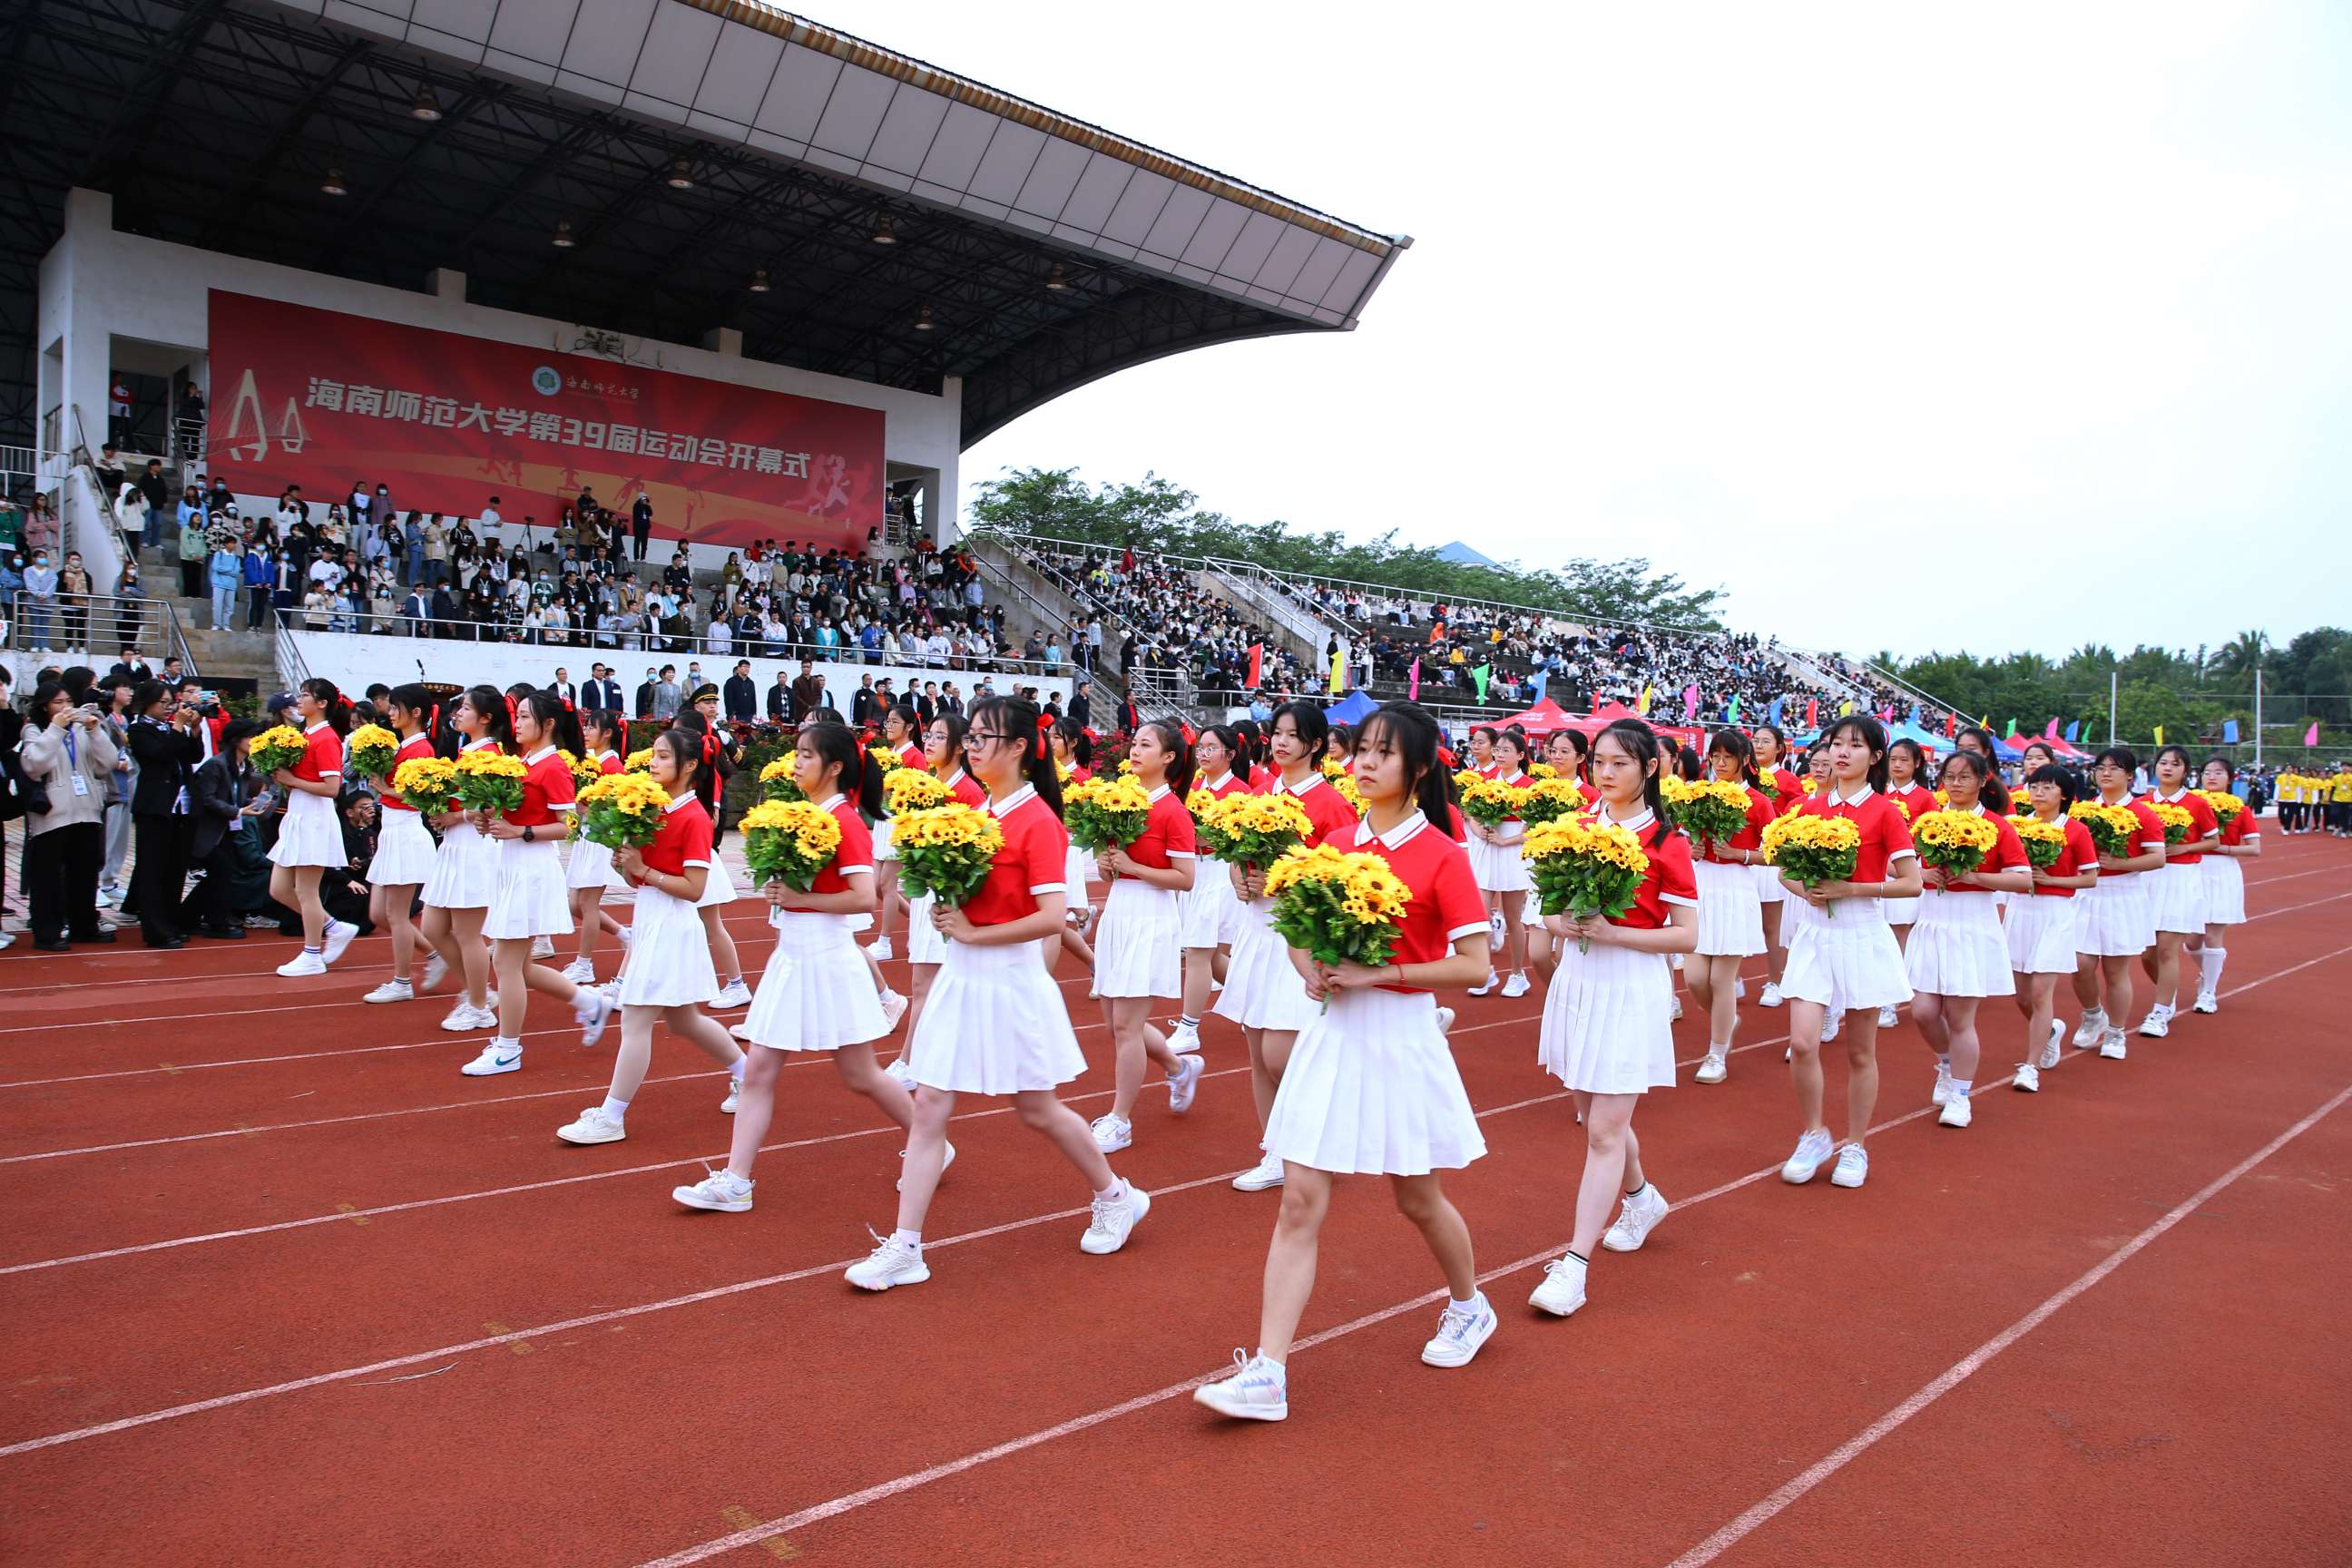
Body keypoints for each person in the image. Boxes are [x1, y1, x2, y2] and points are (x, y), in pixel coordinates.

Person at [1194, 702, 1496, 1422]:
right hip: (1331, 1033)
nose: (1364, 763)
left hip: (1400, 1037)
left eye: (1383, 754)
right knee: (1300, 1197)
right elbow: (1294, 929)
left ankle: (1469, 1305)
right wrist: (1309, 967)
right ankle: (1268, 1372)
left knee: (1416, 1197)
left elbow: (1476, 965)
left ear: (1418, 770)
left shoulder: (1443, 855)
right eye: (1359, 749)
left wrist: (1379, 975)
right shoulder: (1329, 841)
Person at [842, 694, 1149, 1291]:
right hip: (964, 974)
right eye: (971, 737)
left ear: (1018, 748)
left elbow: (1053, 915)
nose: (973, 746)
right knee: (931, 1104)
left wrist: (978, 932)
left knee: (1036, 1109)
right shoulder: (977, 812)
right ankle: (906, 1246)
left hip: (1009, 978)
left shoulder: (1038, 821)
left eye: (986, 737)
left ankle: (1117, 1195)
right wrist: (951, 914)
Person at [673, 724, 910, 1200]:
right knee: (759, 1070)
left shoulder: (843, 821)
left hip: (828, 958)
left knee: (860, 1075)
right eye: (796, 754)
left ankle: (930, 1139)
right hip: (792, 957)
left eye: (806, 755)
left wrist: (800, 898)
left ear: (836, 767)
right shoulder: (802, 815)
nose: (796, 762)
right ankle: (737, 1181)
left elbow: (865, 898)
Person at [1528, 718, 1699, 1318]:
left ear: (1649, 768)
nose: (1605, 772)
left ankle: (1573, 1266)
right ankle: (1641, 1196)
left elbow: (1688, 934)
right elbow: (1545, 913)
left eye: (1619, 763)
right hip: (1578, 982)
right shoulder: (1571, 830)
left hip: (1630, 986)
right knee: (1588, 1109)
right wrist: (1567, 925)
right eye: (1599, 761)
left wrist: (1613, 931)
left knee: (1603, 1129)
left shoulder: (1666, 841)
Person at [560, 725, 749, 1146]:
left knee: (636, 1020)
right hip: (650, 916)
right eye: (654, 755)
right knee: (685, 1020)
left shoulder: (694, 816)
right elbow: (634, 875)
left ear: (689, 766)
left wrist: (643, 870)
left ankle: (612, 1115)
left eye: (664, 757)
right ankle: (748, 1074)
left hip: (672, 922)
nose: (653, 762)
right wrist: (623, 859)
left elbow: (695, 888)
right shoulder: (650, 809)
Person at [1214, 701, 1358, 1193]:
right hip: (1256, 930)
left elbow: (1335, 881)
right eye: (1276, 733)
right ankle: (1276, 1151)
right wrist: (1239, 879)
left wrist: (1278, 886)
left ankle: (1315, 1146)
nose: (1280, 742)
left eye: (1292, 736)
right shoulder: (1262, 789)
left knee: (1284, 1055)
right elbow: (1235, 854)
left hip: (1296, 936)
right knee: (1257, 1050)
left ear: (1315, 745)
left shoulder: (1329, 803)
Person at [1775, 716, 1923, 1191]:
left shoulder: (1885, 811)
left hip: (1862, 932)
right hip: (1815, 933)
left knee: (1861, 1049)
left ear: (1875, 758)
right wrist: (1808, 891)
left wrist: (1850, 888)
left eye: (1855, 746)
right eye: (1837, 744)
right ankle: (1814, 1133)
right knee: (1802, 1042)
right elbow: (1784, 873)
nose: (1842, 753)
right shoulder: (1808, 808)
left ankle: (1856, 1143)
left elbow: (1911, 883)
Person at [465, 689, 609, 1076]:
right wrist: (489, 820)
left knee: (506, 963)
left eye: (526, 717)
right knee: (519, 965)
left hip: (532, 866)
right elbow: (512, 817)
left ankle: (508, 1048)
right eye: (518, 716)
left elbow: (569, 825)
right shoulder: (521, 762)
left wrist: (521, 831)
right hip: (512, 863)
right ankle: (590, 1002)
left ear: (547, 725)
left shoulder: (554, 766)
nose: (518, 723)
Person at [1086, 717, 1202, 1153]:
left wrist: (1133, 868)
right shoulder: (1122, 802)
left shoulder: (1173, 811)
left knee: (1125, 1026)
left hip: (1151, 917)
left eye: (1146, 745)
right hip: (1119, 911)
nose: (1135, 751)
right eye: (1134, 743)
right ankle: (1178, 1067)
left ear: (1169, 758)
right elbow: (1112, 862)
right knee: (1116, 1025)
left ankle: (1120, 1120)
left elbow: (1185, 878)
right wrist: (1107, 862)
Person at [1903, 750, 2031, 1129]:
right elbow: (1905, 867)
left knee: (1961, 1018)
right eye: (1949, 776)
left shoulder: (1996, 827)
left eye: (1964, 777)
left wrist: (1977, 878)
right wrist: (1924, 875)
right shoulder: (1928, 823)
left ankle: (1961, 1094)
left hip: (1972, 922)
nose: (1955, 783)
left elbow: (2023, 879)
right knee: (1924, 1011)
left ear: (1982, 781)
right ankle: (1946, 1063)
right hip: (1932, 920)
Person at [880, 715, 986, 1083]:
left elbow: (975, 852)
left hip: (948, 897)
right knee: (930, 984)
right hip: (928, 892)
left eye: (941, 737)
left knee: (927, 984)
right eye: (931, 735)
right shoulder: (924, 786)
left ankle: (911, 1061)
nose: (931, 742)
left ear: (960, 747)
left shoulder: (969, 793)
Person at [1686, 729, 1777, 1084]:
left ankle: (1716, 1052)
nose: (1720, 764)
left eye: (1728, 757)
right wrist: (1690, 847)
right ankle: (1727, 1020)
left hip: (1735, 889)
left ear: (1744, 761)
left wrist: (1741, 854)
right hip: (1701, 885)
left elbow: (1776, 850)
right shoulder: (1697, 796)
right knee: (1694, 978)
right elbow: (1681, 835)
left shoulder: (1758, 801)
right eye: (1715, 757)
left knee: (1721, 979)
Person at [2068, 747, 2166, 1060]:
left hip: (2122, 894)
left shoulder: (2142, 814)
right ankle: (2093, 1013)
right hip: (2086, 893)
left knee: (2115, 971)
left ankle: (2116, 1032)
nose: (2106, 773)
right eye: (2100, 767)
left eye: (2114, 768)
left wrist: (2121, 863)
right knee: (2080, 965)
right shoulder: (2082, 811)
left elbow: (2158, 857)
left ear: (2129, 774)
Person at [418, 688, 508, 1033]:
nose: (458, 713)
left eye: (466, 708)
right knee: (433, 928)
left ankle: (478, 1006)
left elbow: (491, 807)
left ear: (485, 718)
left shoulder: (489, 754)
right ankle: (479, 992)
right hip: (455, 845)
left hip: (474, 846)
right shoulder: (466, 751)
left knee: (468, 933)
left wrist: (455, 817)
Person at [2005, 762, 2099, 1092]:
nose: (2039, 793)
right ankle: (2050, 1031)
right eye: (2034, 786)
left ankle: (2029, 1067)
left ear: (2064, 794)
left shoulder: (2075, 830)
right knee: (2021, 995)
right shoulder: (2015, 825)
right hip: (2019, 911)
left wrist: (2053, 879)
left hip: (2055, 913)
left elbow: (2090, 878)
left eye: (2047, 787)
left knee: (2041, 992)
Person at [356, 686, 443, 1004]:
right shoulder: (400, 745)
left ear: (415, 713)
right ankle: (435, 955)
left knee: (395, 914)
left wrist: (386, 790)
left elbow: (423, 795)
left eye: (396, 708)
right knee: (379, 913)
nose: (390, 713)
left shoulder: (421, 749)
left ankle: (402, 981)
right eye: (390, 708)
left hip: (406, 832)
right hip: (391, 833)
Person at [18, 681, 119, 949]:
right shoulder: (34, 730)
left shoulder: (81, 729)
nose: (65, 708)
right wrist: (56, 729)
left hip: (86, 810)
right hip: (51, 814)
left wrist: (95, 731)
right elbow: (33, 765)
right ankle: (47, 932)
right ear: (45, 706)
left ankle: (83, 926)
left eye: (68, 702)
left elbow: (107, 763)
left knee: (84, 874)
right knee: (48, 877)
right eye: (58, 703)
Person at [1170, 723, 1251, 1054]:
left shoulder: (1241, 793)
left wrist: (1210, 837)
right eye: (1200, 747)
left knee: (1199, 950)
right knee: (1211, 952)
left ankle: (1190, 1027)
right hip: (1196, 870)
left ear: (1230, 754)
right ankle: (1253, 1001)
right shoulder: (1193, 787)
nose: (1202, 754)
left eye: (1211, 748)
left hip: (1221, 870)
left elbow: (1244, 841)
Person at [2136, 743, 2218, 1039]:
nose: (2168, 768)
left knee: (2169, 948)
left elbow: (2213, 840)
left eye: (2176, 764)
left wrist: (2184, 846)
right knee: (2147, 953)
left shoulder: (2196, 804)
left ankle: (2159, 1013)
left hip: (2181, 878)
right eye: (2163, 763)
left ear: (2185, 771)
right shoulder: (2142, 803)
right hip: (2148, 879)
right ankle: (2167, 996)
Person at [122, 680, 202, 949]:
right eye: (163, 703)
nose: (168, 708)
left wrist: (193, 729)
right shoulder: (138, 729)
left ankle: (171, 923)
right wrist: (178, 726)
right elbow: (161, 755)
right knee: (152, 870)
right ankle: (155, 929)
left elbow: (193, 755)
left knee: (175, 869)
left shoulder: (171, 728)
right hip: (155, 807)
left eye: (171, 703)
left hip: (182, 807)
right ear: (147, 703)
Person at [559, 710, 630, 985]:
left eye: (591, 728)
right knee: (575, 903)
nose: (585, 732)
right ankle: (625, 934)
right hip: (586, 836)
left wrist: (583, 807)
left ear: (608, 733)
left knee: (587, 903)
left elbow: (614, 808)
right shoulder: (588, 763)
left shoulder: (612, 767)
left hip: (601, 838)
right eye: (585, 727)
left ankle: (584, 963)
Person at [1465, 730, 1534, 998]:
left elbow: (1535, 828)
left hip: (1511, 852)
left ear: (1520, 755)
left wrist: (1509, 841)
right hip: (1487, 849)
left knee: (1514, 919)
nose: (1501, 754)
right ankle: (1486, 970)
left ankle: (1518, 973)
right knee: (1481, 917)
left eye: (1507, 750)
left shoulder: (1529, 786)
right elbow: (1469, 810)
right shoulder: (1483, 781)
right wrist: (1476, 826)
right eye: (1499, 750)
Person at [2188, 754, 2259, 1014]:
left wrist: (2223, 848)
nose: (2212, 776)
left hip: (2222, 871)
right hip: (2192, 869)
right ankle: (2209, 974)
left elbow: (2254, 848)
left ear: (2230, 778)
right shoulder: (2190, 805)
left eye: (2219, 772)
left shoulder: (2240, 809)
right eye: (2207, 772)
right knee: (2192, 941)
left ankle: (2208, 992)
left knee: (2212, 934)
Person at [181, 719, 265, 940]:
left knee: (222, 875)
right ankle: (213, 921)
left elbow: (235, 797)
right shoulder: (216, 765)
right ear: (236, 739)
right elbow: (206, 799)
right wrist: (238, 811)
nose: (254, 742)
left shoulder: (245, 766)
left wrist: (250, 803)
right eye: (250, 737)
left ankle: (195, 917)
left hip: (227, 830)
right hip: (208, 832)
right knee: (222, 873)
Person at [863, 704, 926, 964]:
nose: (888, 726)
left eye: (894, 722)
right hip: (883, 821)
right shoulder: (887, 754)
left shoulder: (915, 757)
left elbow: (921, 794)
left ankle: (885, 941)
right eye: (887, 722)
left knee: (887, 885)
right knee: (877, 887)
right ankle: (919, 926)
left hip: (901, 823)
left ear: (909, 727)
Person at [1749, 723, 1802, 1007]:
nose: (1758, 745)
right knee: (1743, 918)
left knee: (1772, 926)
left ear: (1779, 748)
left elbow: (1795, 813)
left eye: (1765, 741)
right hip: (1742, 855)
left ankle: (1774, 980)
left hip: (1770, 856)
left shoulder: (1788, 780)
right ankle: (1730, 977)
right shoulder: (1744, 776)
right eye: (1755, 740)